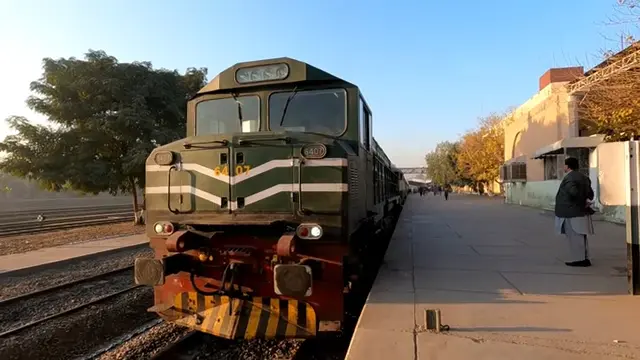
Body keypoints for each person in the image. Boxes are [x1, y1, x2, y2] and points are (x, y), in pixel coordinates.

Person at [554, 157, 595, 267]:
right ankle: (585, 258)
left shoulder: (570, 178)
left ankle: (579, 260)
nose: (563, 167)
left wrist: (580, 201)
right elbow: (590, 193)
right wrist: (586, 201)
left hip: (571, 212)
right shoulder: (584, 177)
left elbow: (573, 192)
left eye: (564, 165)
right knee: (582, 237)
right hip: (582, 212)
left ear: (567, 166)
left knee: (575, 237)